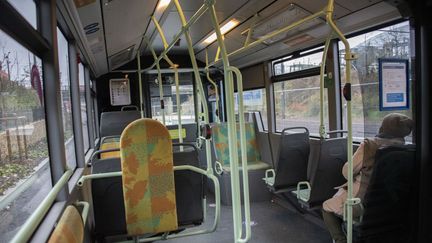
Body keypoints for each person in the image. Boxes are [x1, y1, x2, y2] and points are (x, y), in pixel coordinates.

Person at [322, 113, 414, 243]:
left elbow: (347, 172)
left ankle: (340, 240)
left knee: (326, 207)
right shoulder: (406, 149)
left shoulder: (369, 145)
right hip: (389, 202)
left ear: (383, 127)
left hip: (362, 201)